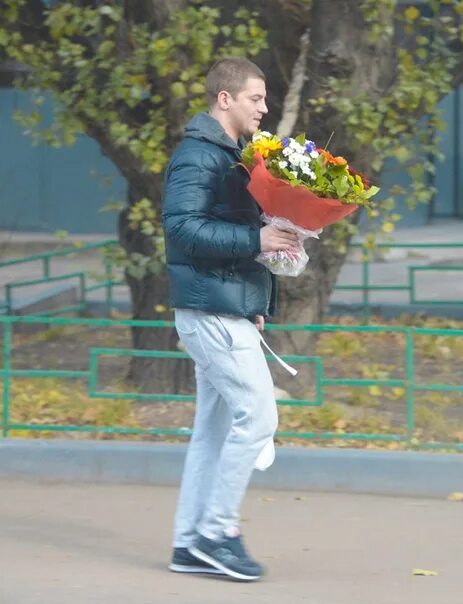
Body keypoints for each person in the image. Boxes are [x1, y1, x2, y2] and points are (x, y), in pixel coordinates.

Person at [162, 57, 298, 582]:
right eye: (255, 98)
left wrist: (254, 303)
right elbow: (182, 228)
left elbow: (226, 234)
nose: (264, 108)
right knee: (259, 419)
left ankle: (188, 543)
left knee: (214, 433)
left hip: (222, 307)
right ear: (225, 99)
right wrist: (257, 238)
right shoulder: (199, 155)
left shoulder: (231, 155)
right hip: (209, 311)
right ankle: (216, 535)